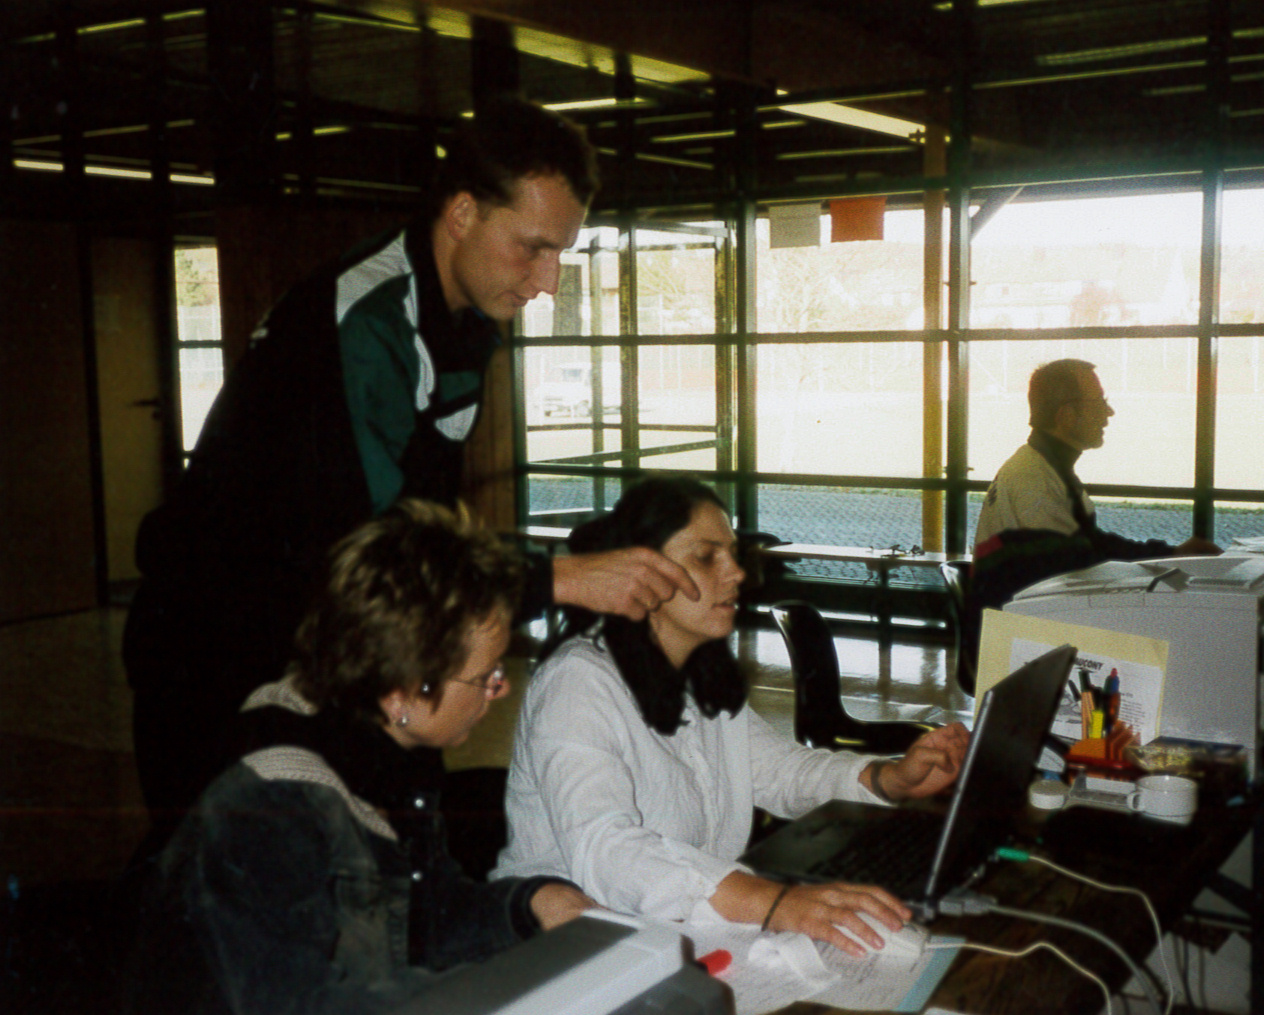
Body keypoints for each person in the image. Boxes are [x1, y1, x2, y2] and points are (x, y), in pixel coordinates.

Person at [124, 97, 697, 841]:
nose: (549, 280)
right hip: (216, 652)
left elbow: (419, 530)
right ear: (461, 213)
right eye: (532, 248)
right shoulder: (369, 324)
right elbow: (375, 556)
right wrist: (558, 577)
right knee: (237, 875)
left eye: (560, 252)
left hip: (329, 636)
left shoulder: (460, 324)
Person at [127, 500, 595, 1015]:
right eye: (485, 677)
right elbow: (300, 1003)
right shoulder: (270, 809)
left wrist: (525, 906)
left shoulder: (392, 747)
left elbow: (421, 919)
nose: (499, 690)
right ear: (401, 693)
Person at [493, 476, 970, 957]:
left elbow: (781, 772)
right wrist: (773, 902)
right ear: (641, 573)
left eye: (733, 554)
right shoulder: (577, 682)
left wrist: (888, 778)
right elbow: (607, 851)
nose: (736, 572)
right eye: (706, 557)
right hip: (565, 953)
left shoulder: (697, 671)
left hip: (682, 938)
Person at [971, 358, 1220, 610]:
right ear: (1067, 415)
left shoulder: (1041, 466)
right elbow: (1073, 569)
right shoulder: (1035, 480)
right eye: (1100, 402)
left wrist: (1171, 554)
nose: (1109, 413)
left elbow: (1091, 545)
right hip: (1014, 623)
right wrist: (1168, 558)